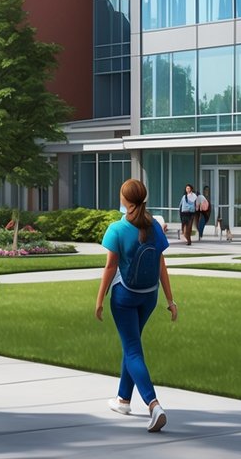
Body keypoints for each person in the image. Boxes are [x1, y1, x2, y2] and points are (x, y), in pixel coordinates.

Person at [96, 178, 176, 433]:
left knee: (132, 350)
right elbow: (162, 265)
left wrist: (99, 300)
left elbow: (110, 267)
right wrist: (170, 300)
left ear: (125, 200)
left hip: (125, 297)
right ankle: (123, 399)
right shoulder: (154, 226)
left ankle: (154, 405)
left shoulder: (117, 229)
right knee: (132, 346)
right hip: (149, 297)